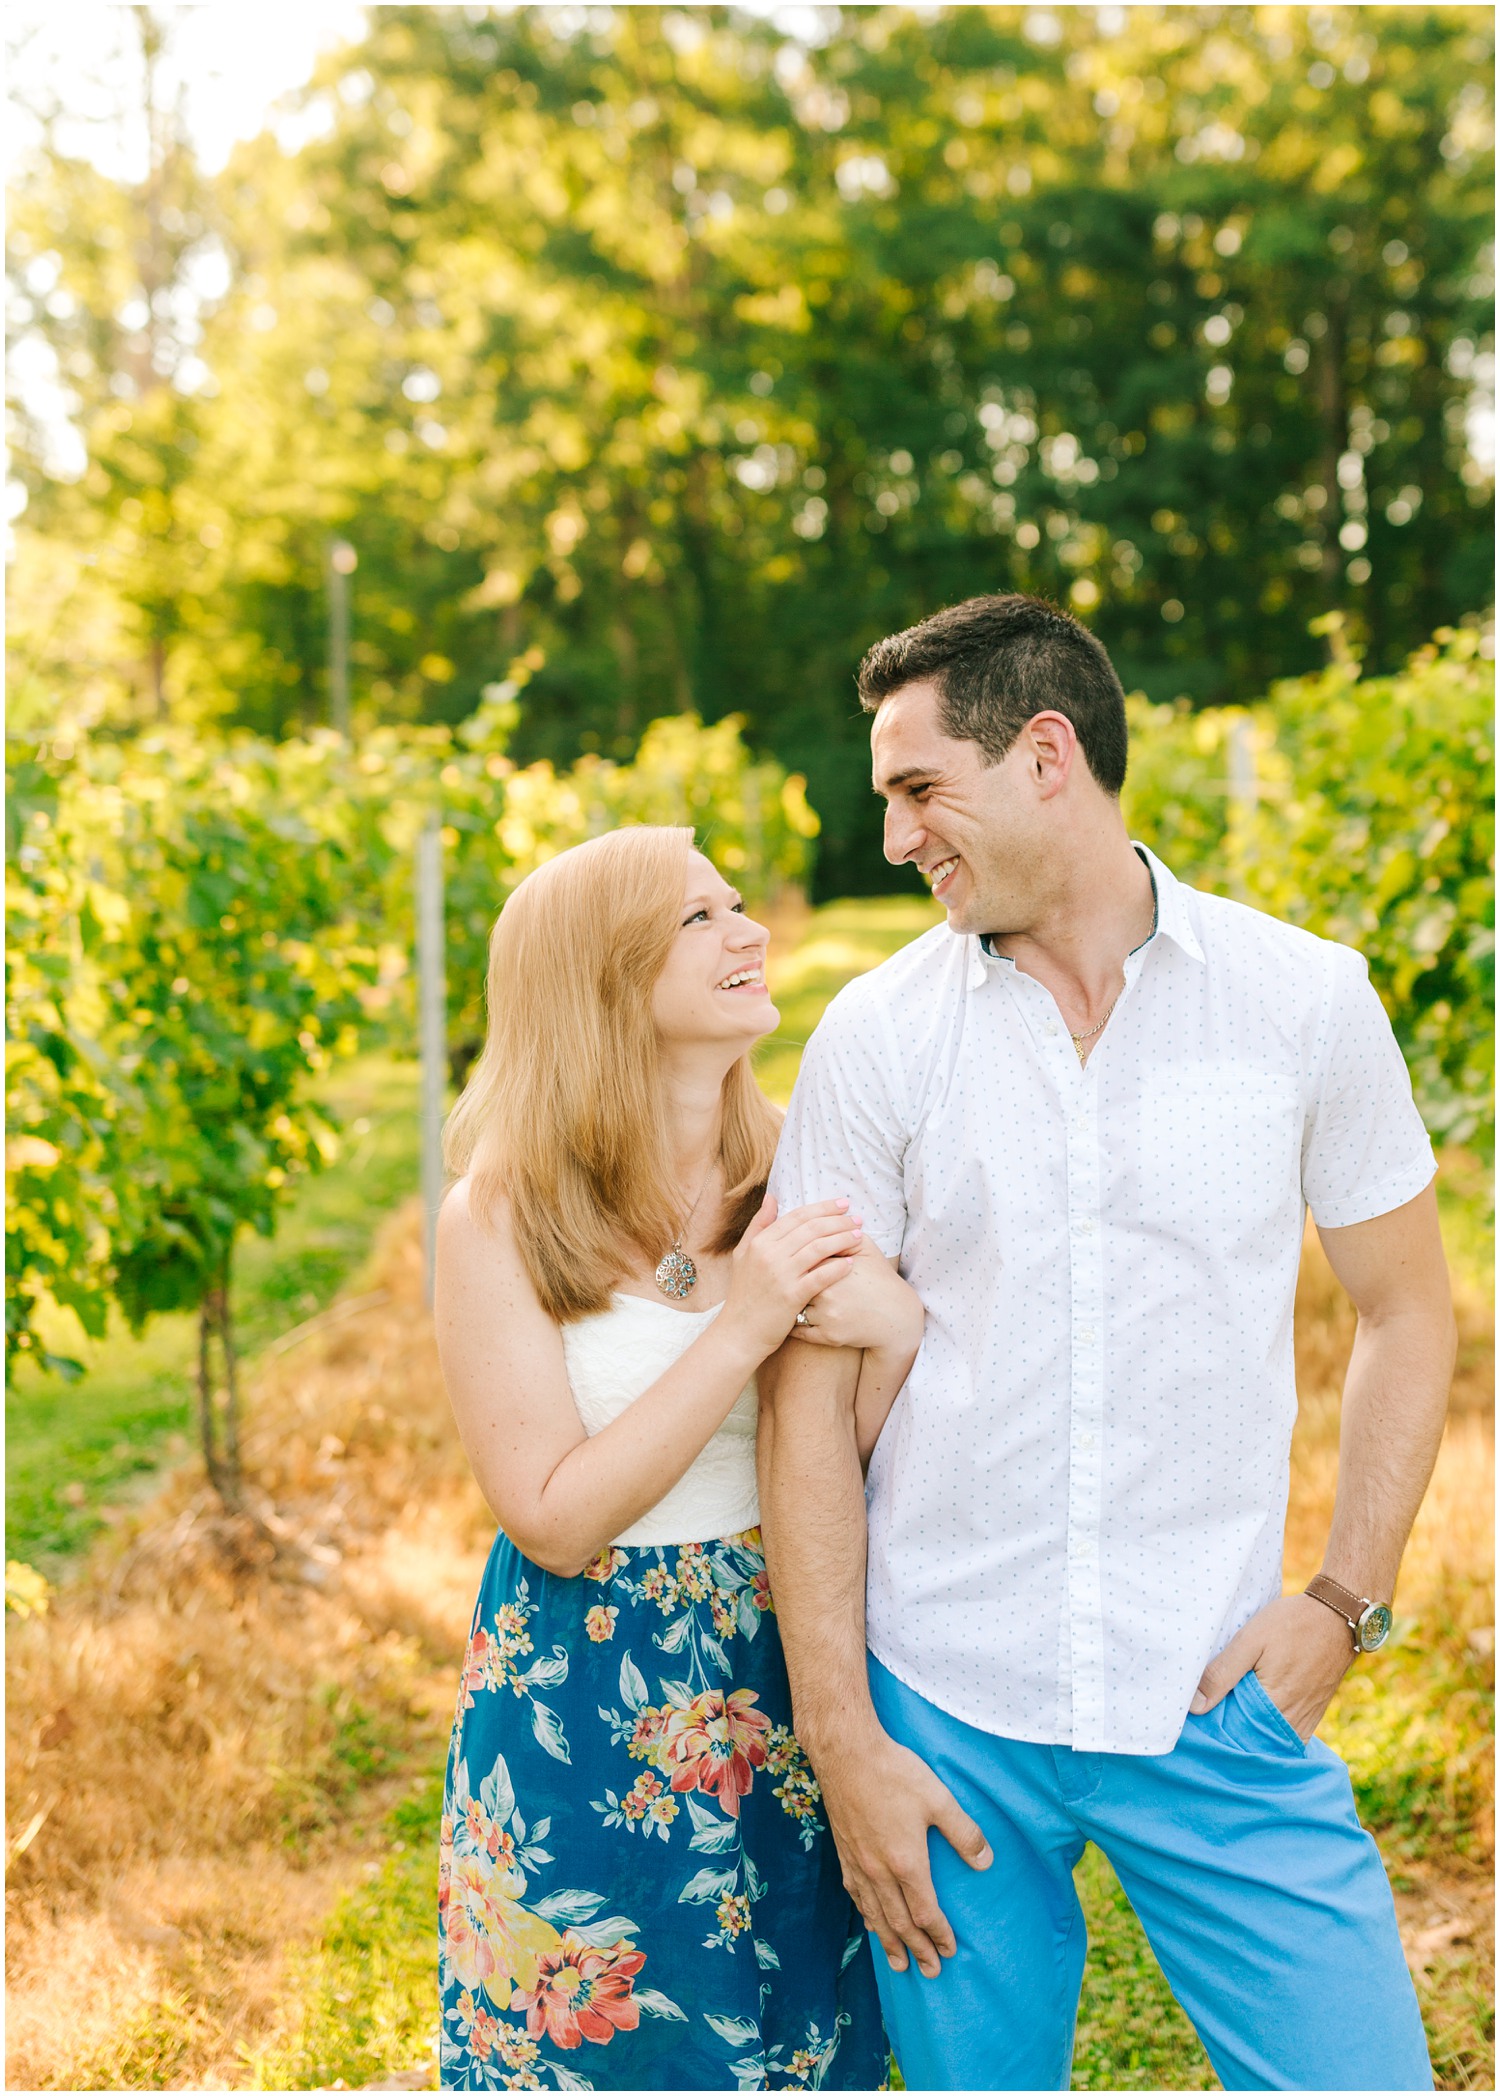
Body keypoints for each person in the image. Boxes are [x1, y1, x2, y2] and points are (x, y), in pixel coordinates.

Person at [759, 594, 1455, 2093]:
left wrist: (1345, 1600)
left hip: (1215, 1698)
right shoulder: (875, 1036)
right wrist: (845, 1741)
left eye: (916, 788)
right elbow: (803, 1399)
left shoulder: (1305, 1001)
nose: (894, 839)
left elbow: (1410, 1312)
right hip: (945, 1713)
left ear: (1048, 755)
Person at [433, 825, 912, 2092]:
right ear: (600, 978)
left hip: (790, 1643)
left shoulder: (803, 1164)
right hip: (585, 1675)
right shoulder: (500, 1212)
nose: (750, 932)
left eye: (737, 904)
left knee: (798, 2020)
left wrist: (903, 1333)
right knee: (615, 2045)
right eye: (700, 919)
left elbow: (865, 1446)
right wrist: (743, 1323)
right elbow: (550, 1514)